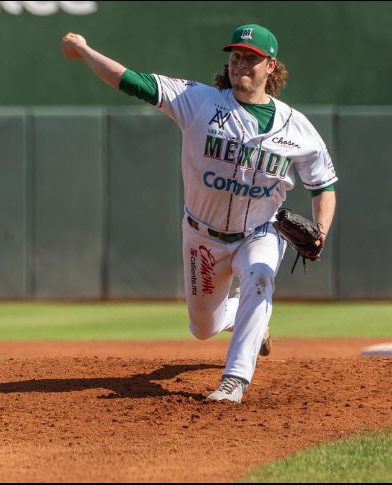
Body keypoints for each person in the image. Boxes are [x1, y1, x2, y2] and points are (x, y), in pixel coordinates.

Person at [61, 25, 337, 403]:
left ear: (270, 66)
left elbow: (323, 185)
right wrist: (86, 50)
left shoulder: (297, 127)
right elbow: (130, 81)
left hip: (260, 230)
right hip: (203, 236)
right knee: (203, 327)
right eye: (236, 55)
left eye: (251, 58)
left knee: (259, 277)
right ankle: (246, 320)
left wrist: (320, 229)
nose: (241, 63)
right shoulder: (198, 100)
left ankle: (234, 380)